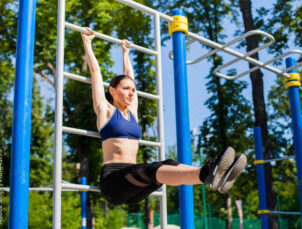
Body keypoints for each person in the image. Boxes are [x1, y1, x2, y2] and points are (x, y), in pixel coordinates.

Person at [81, 27, 247, 206]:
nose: (131, 93)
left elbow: (130, 76)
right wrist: (87, 43)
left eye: (133, 90)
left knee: (168, 163)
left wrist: (125, 54)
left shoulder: (132, 112)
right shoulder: (105, 110)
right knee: (151, 169)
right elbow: (95, 74)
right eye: (125, 89)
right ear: (112, 90)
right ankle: (208, 172)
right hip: (114, 182)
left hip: (133, 185)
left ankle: (212, 175)